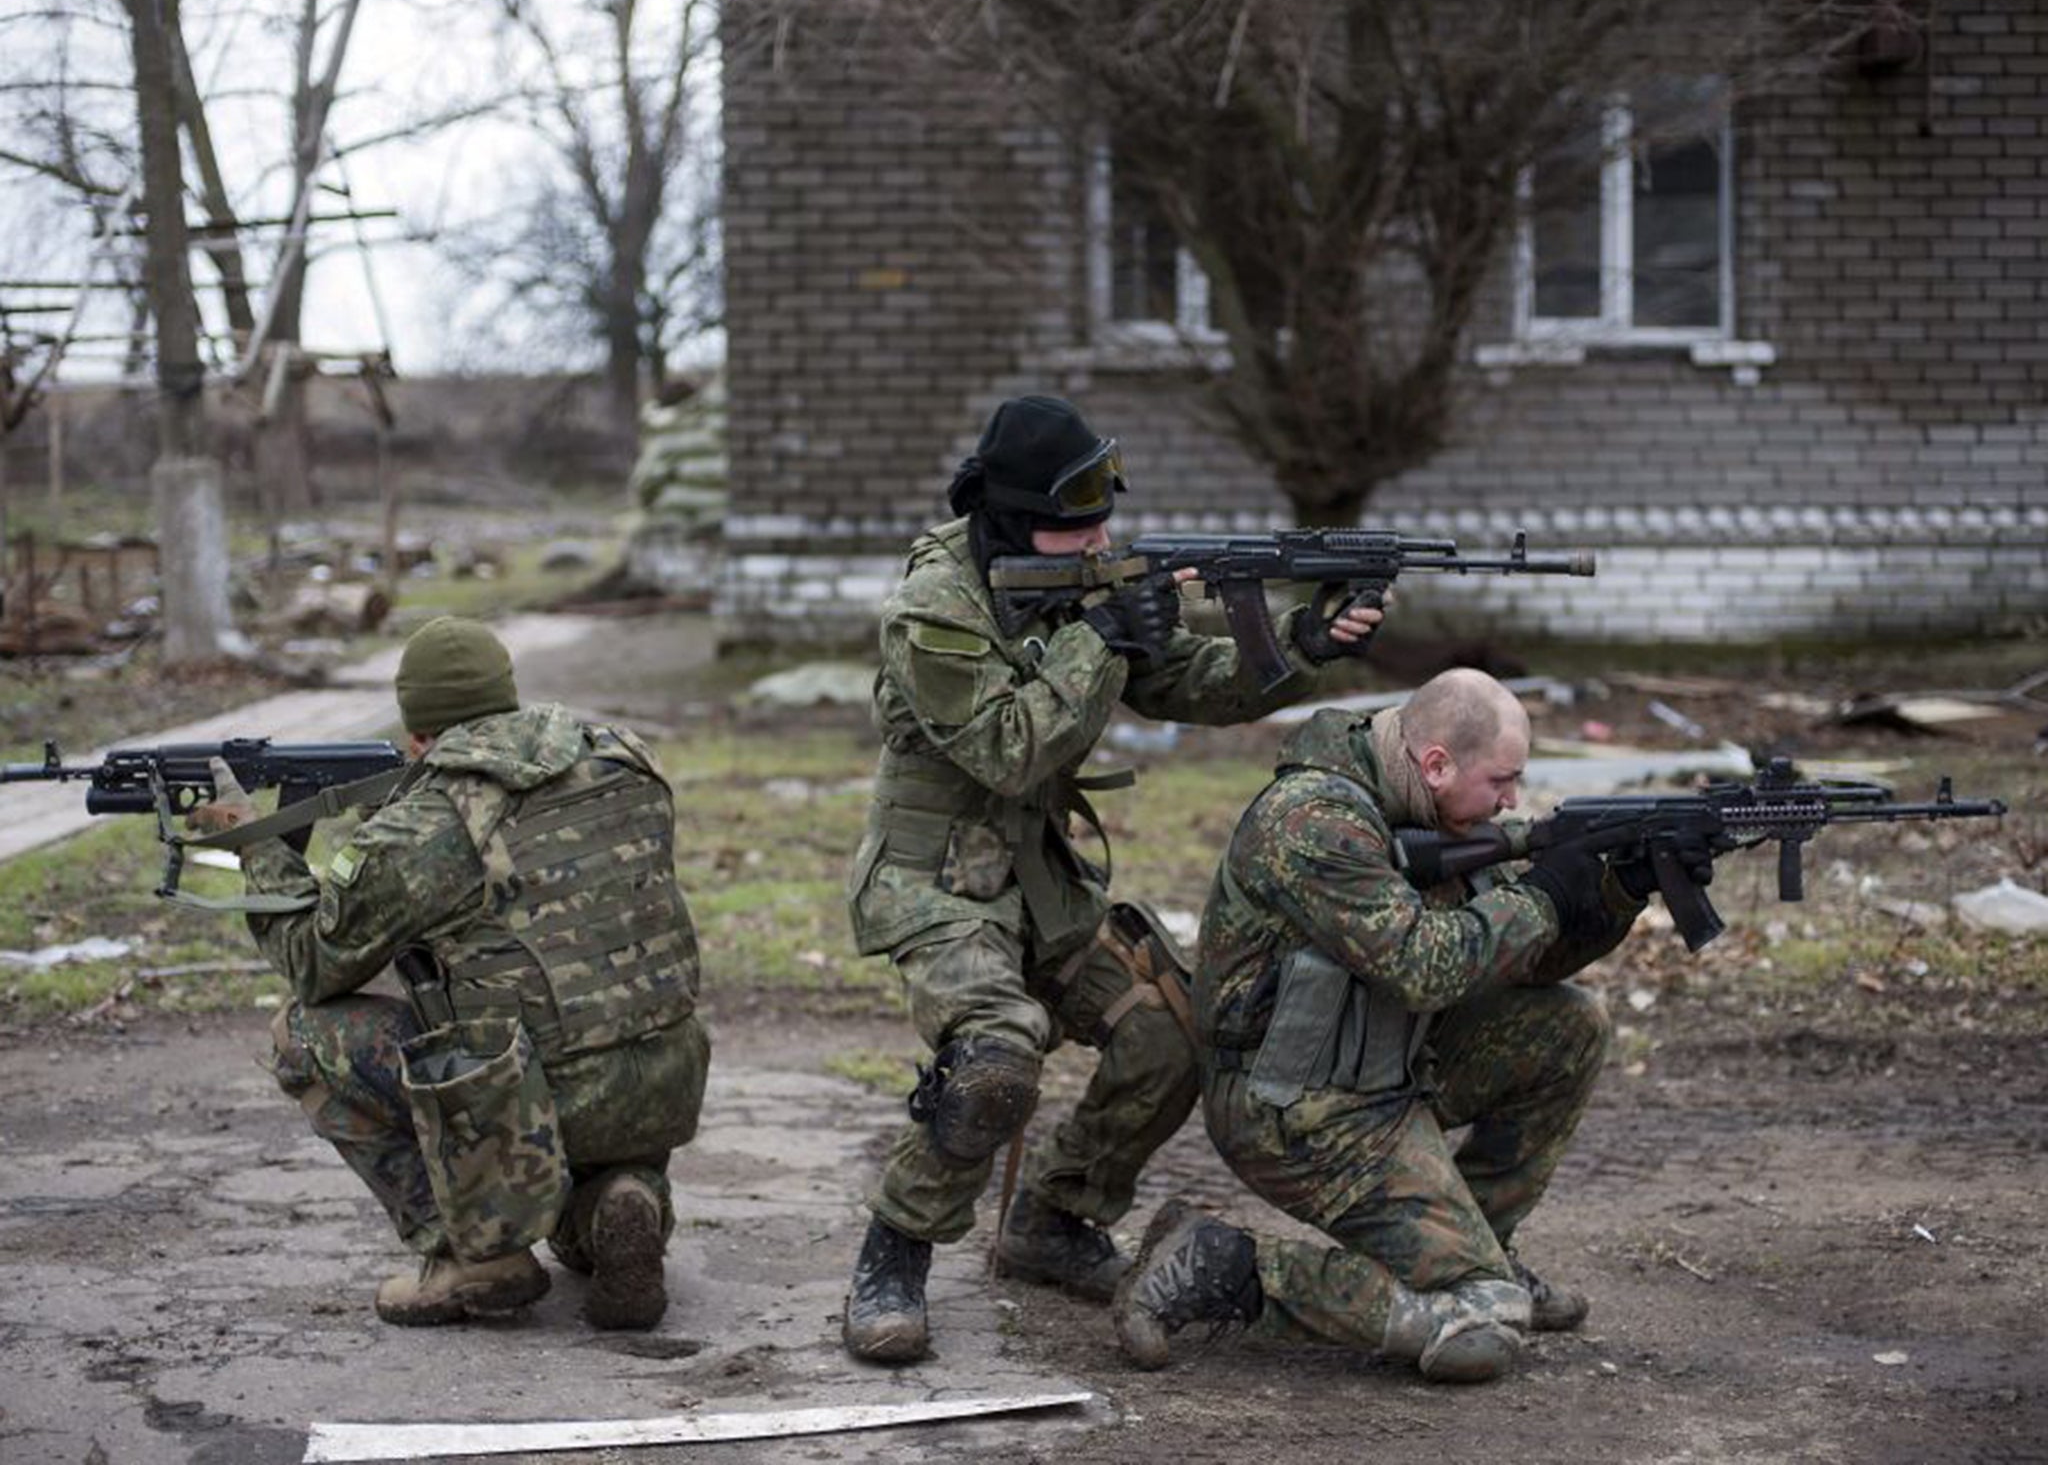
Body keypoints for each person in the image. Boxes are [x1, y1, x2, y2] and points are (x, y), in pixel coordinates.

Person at [840, 393, 1383, 1363]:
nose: (1097, 533)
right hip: (934, 881)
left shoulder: (1079, 578)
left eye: (1104, 511)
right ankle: (894, 1253)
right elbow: (1008, 750)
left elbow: (1179, 682)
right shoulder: (935, 610)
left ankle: (1051, 1218)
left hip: (1037, 876)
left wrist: (1301, 645)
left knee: (1170, 1033)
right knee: (996, 1060)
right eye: (1073, 517)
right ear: (1008, 517)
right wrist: (1103, 635)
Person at [1113, 668, 1715, 1382]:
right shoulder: (1315, 822)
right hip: (1297, 1109)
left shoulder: (1432, 811)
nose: (1512, 801)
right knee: (1482, 1328)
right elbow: (1421, 966)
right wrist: (1547, 894)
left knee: (1568, 1026)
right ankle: (1222, 1264)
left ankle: (1478, 1251)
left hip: (1388, 1069)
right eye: (1501, 781)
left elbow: (1520, 961)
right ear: (1435, 764)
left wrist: (1616, 891)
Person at [190, 616, 711, 1331]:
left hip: (529, 1100)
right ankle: (621, 1200)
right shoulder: (624, 758)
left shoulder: (428, 824)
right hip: (659, 1082)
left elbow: (313, 963)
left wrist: (253, 844)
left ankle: (469, 1254)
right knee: (567, 1039)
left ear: (417, 733)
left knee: (302, 1036)